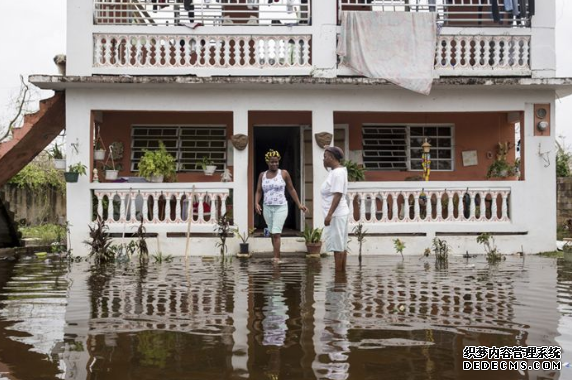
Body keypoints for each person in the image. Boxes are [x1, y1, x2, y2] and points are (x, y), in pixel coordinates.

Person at [255, 149, 307, 261]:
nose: (274, 164)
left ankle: (276, 258)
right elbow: (259, 191)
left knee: (277, 233)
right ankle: (276, 253)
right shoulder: (262, 175)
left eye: (276, 161)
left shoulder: (284, 173)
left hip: (281, 207)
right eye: (272, 162)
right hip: (267, 207)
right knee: (272, 233)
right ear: (267, 162)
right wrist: (256, 203)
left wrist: (299, 204)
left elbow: (291, 189)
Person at [321, 146, 349, 272]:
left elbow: (337, 195)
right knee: (341, 246)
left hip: (336, 215)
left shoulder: (337, 173)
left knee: (338, 248)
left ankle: (338, 278)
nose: (324, 159)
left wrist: (329, 214)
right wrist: (325, 162)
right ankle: (341, 277)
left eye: (325, 157)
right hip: (339, 214)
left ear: (332, 158)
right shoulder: (336, 171)